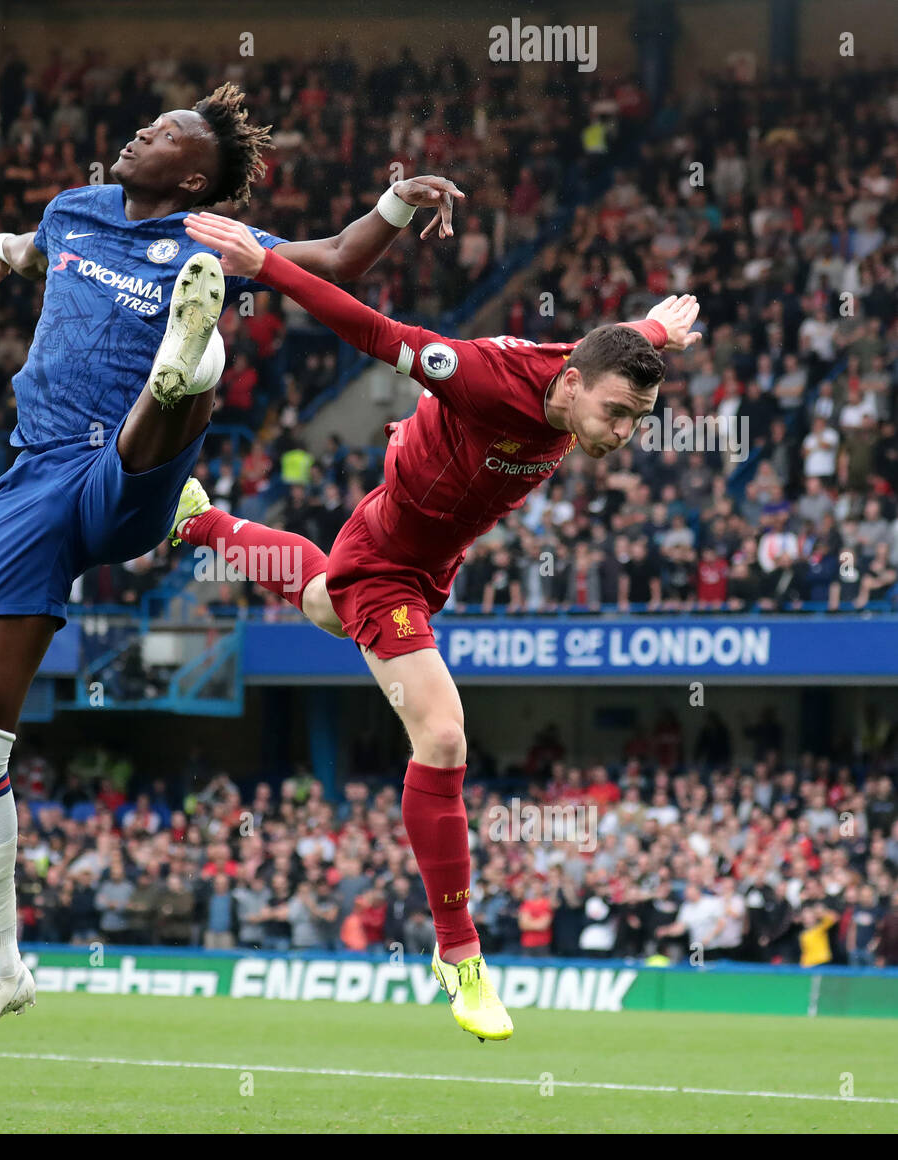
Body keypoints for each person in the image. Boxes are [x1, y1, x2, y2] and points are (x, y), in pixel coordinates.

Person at [0, 81, 464, 1064]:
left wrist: (397, 200)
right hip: (31, 479)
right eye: (141, 124)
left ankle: (191, 362)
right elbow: (41, 247)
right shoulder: (74, 209)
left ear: (188, 174)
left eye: (158, 133)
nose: (134, 132)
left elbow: (335, 259)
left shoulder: (212, 230)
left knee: (164, 412)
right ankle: (0, 968)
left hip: (122, 469)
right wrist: (3, 252)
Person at [173, 208, 702, 1041]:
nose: (624, 432)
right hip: (390, 552)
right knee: (444, 734)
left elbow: (617, 344)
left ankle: (201, 522)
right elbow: (373, 328)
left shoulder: (592, 372)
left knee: (320, 602)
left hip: (431, 555)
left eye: (636, 419)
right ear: (567, 385)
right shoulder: (485, 375)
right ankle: (460, 955)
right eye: (616, 414)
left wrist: (656, 330)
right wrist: (262, 266)